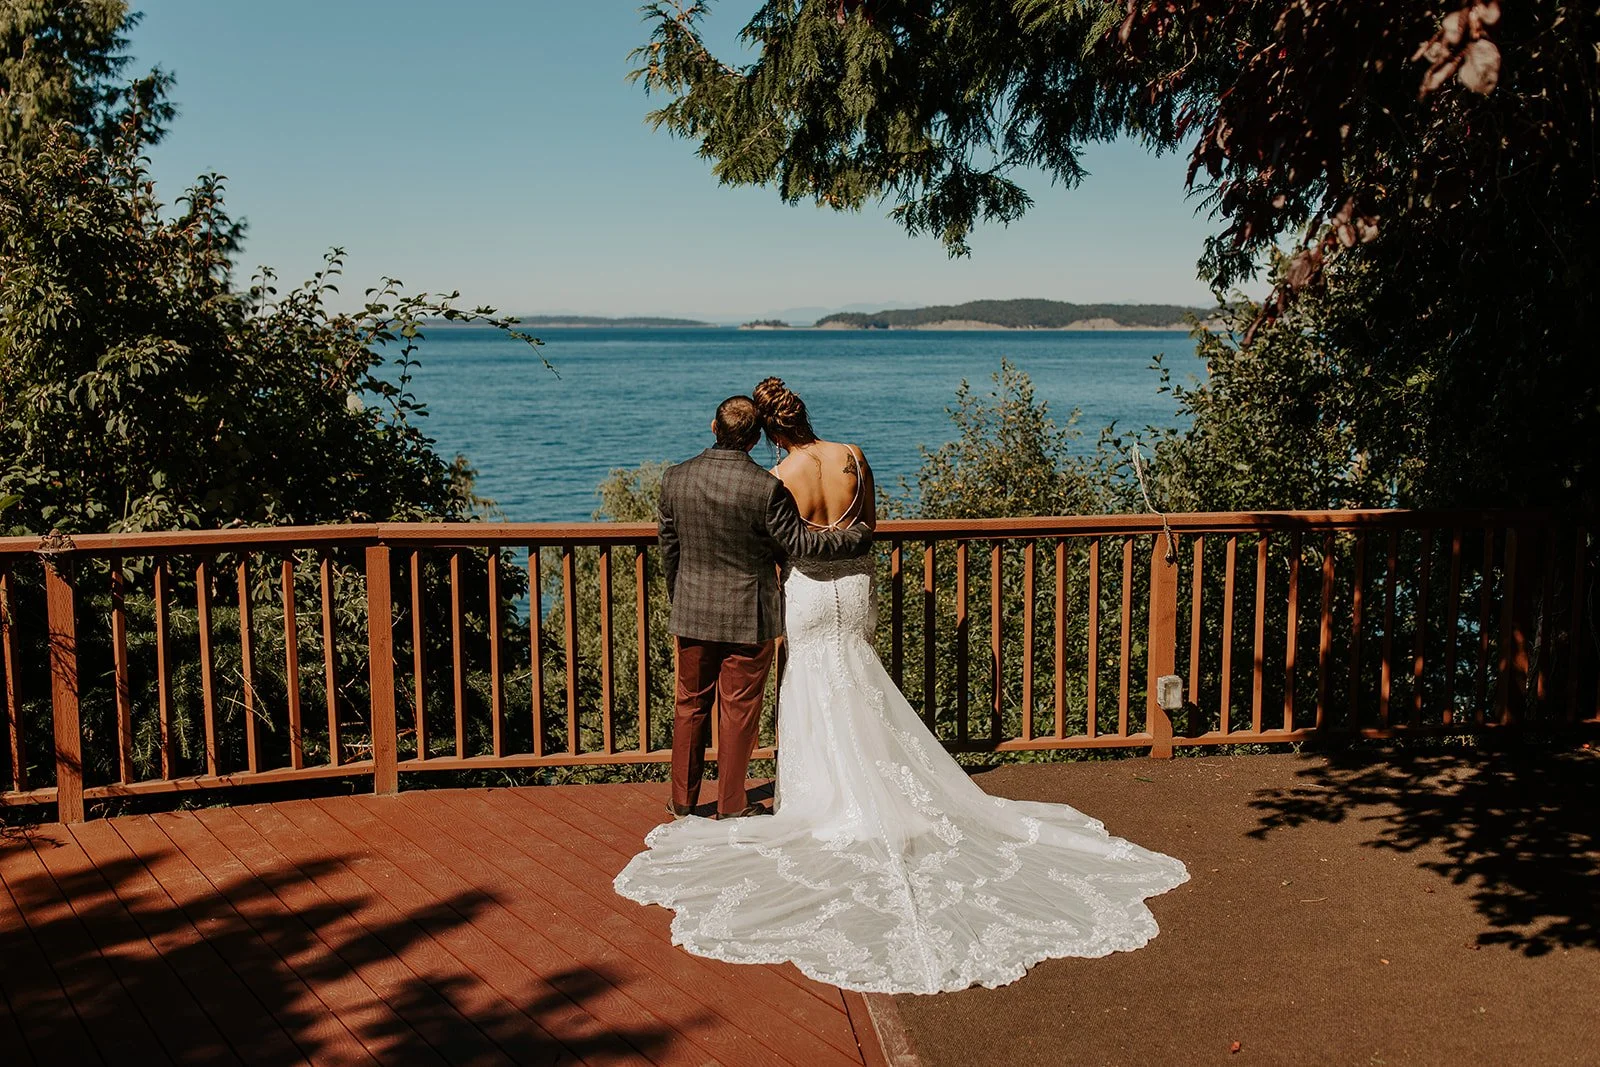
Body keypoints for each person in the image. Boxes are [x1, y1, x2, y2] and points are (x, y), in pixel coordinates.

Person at [617, 379, 1188, 994]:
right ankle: (753, 801)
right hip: (848, 587)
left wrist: (682, 591)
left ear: (758, 431)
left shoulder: (747, 476)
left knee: (755, 696)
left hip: (776, 598)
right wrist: (858, 540)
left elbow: (723, 546)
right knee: (827, 688)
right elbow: (851, 524)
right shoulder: (848, 458)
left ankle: (715, 799)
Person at [657, 394, 871, 821]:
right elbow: (801, 545)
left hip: (692, 609)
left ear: (713, 426)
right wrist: (857, 538)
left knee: (689, 704)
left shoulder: (674, 478)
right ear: (755, 439)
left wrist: (677, 597)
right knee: (738, 711)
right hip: (749, 615)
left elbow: (670, 549)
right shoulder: (765, 487)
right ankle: (732, 804)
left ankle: (682, 802)